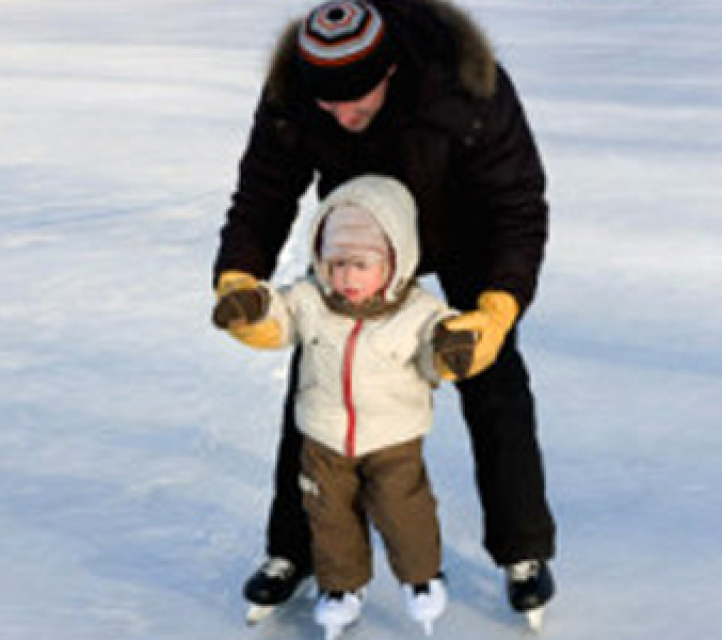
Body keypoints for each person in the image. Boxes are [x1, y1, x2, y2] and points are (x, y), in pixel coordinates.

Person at [212, 0, 557, 623]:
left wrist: (498, 307)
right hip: (358, 232)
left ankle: (522, 550)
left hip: (463, 227)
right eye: (330, 106)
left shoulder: (466, 83)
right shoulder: (296, 87)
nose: (344, 118)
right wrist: (240, 275)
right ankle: (293, 549)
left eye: (359, 102)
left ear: (393, 71)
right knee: (319, 373)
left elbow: (517, 202)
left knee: (493, 377)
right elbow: (263, 191)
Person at [213, 175, 475, 636]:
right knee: (329, 517)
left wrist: (449, 348)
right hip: (323, 437)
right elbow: (281, 315)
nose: (346, 278)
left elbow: (436, 355)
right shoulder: (313, 298)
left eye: (360, 264)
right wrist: (253, 307)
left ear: (394, 260)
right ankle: (341, 587)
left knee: (404, 513)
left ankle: (422, 578)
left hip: (394, 440)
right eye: (335, 264)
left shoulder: (418, 311)